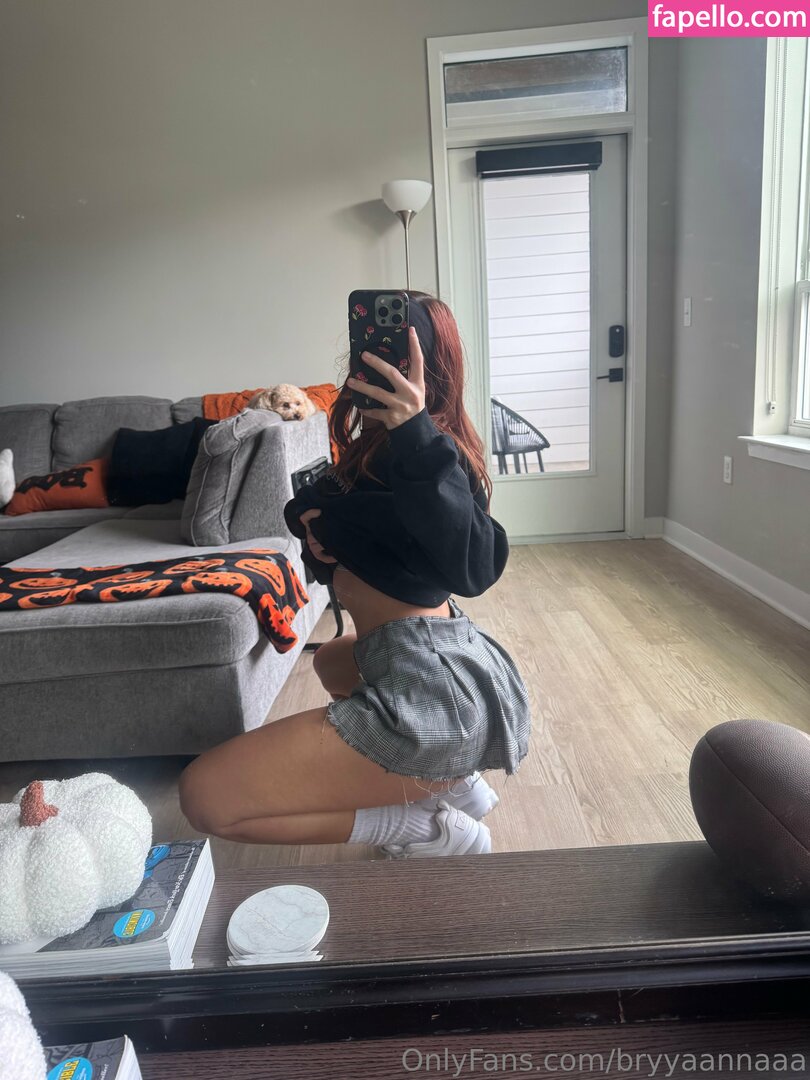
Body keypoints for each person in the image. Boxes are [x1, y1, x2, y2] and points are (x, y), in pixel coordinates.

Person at [179, 292, 531, 858]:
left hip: (437, 690)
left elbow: (474, 566)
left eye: (396, 354)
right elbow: (326, 509)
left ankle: (419, 825)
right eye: (369, 350)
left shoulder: (434, 454)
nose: (376, 364)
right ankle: (452, 783)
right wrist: (322, 536)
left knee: (205, 798)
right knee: (331, 658)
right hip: (424, 652)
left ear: (431, 367)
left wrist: (416, 433)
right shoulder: (377, 448)